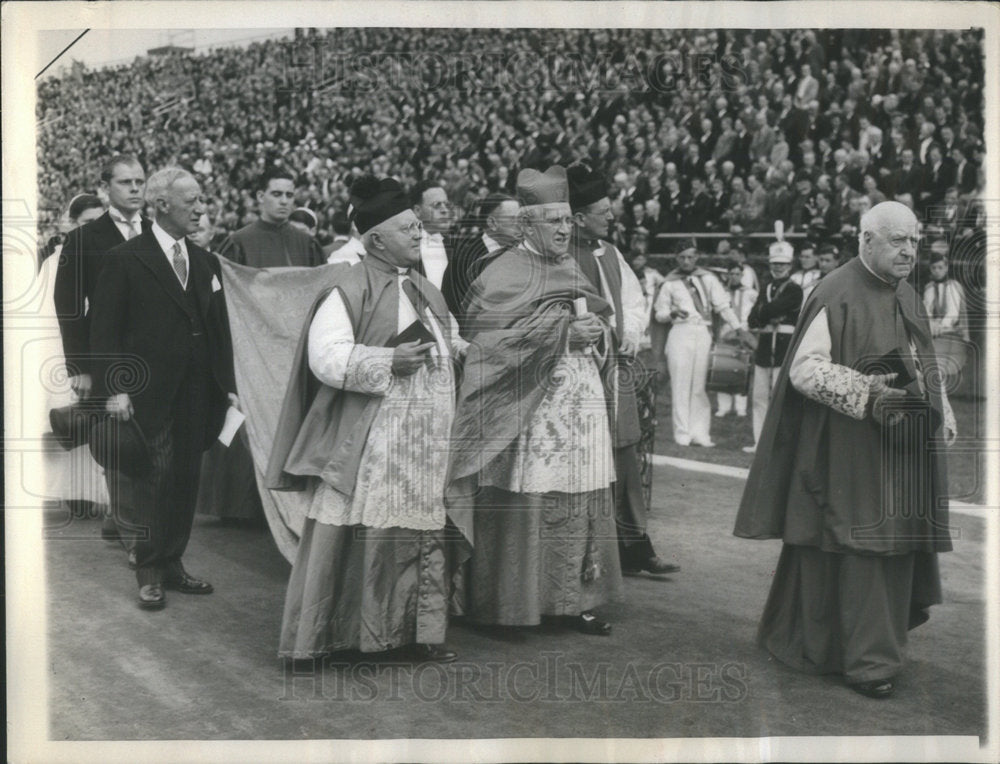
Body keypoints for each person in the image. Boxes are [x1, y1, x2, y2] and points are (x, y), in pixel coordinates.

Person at [734, 201, 956, 699]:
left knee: (893, 543)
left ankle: (864, 645)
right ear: (866, 240)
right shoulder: (832, 291)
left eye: (915, 241)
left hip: (901, 448)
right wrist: (871, 394)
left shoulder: (909, 293)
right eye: (898, 240)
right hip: (849, 447)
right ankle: (869, 662)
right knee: (861, 545)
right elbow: (804, 370)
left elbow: (925, 360)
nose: (909, 250)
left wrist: (944, 411)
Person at [269, 176, 466, 662]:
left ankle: (408, 633)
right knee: (359, 534)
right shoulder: (346, 285)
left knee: (416, 532)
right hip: (372, 438)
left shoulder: (423, 287)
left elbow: (448, 338)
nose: (419, 235)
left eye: (418, 226)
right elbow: (327, 357)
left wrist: (465, 350)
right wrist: (387, 362)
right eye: (407, 228)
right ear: (376, 238)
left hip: (421, 441)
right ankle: (332, 638)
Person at [447, 165, 622, 636]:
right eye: (554, 222)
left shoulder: (569, 266)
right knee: (532, 500)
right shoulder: (500, 274)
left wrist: (597, 333)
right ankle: (512, 605)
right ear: (527, 225)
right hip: (526, 410)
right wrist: (564, 332)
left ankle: (572, 602)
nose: (566, 229)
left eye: (568, 221)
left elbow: (599, 323)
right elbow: (487, 347)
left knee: (580, 493)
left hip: (579, 406)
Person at [88, 167, 239, 610]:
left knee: (185, 480)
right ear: (161, 206)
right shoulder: (124, 258)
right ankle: (149, 571)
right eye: (190, 201)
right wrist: (115, 389)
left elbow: (218, 331)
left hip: (197, 392)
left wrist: (226, 386)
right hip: (147, 393)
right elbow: (105, 333)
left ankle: (173, 562)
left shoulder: (205, 260)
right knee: (155, 480)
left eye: (201, 200)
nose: (200, 208)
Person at [567, 163, 679, 576]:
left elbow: (633, 302)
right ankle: (591, 554)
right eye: (603, 211)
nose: (613, 216)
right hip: (577, 369)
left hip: (614, 369)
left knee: (626, 456)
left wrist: (630, 332)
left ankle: (636, 548)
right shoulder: (557, 256)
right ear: (579, 217)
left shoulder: (612, 254)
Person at [53, 155, 150, 544]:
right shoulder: (84, 239)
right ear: (105, 188)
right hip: (108, 357)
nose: (135, 189)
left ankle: (124, 521)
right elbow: (70, 307)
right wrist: (78, 367)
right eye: (126, 182)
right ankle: (133, 536)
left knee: (151, 445)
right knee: (118, 443)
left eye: (140, 182)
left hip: (154, 357)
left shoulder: (158, 232)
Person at [653, 244, 741, 447]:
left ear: (697, 257)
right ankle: (682, 432)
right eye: (682, 257)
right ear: (676, 258)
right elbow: (659, 313)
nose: (686, 261)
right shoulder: (669, 283)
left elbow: (722, 306)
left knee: (700, 385)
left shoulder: (708, 279)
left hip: (703, 332)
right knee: (681, 384)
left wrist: (738, 328)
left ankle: (700, 433)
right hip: (680, 332)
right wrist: (671, 314)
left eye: (690, 257)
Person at [744, 240, 803, 452]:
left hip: (784, 348)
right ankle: (759, 441)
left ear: (789, 265)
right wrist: (766, 313)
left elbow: (772, 309)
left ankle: (780, 444)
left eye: (783, 264)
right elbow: (752, 319)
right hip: (765, 347)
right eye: (775, 263)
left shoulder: (795, 289)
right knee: (759, 396)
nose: (778, 267)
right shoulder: (766, 287)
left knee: (780, 397)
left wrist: (764, 312)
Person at [440, 192, 521, 324]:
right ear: (492, 223)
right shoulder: (463, 261)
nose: (520, 226)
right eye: (513, 220)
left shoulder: (523, 256)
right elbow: (454, 312)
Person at [219, 167, 324, 267]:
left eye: (289, 195)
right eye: (277, 194)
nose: (284, 201)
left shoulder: (308, 244)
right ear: (260, 196)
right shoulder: (238, 243)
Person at [715, 259, 758, 418]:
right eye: (731, 274)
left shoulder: (751, 293)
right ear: (727, 275)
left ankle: (741, 406)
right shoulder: (721, 293)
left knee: (742, 368)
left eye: (737, 274)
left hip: (744, 333)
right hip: (726, 333)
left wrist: (749, 330)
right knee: (724, 367)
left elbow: (757, 312)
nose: (734, 277)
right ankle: (724, 406)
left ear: (742, 275)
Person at [410, 179, 453, 289]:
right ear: (417, 211)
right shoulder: (406, 246)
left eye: (446, 204)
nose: (444, 210)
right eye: (437, 205)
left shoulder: (456, 246)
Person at [923, 249, 968, 341]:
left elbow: (953, 313)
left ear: (946, 268)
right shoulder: (929, 287)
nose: (937, 271)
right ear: (930, 268)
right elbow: (927, 310)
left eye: (940, 267)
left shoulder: (953, 286)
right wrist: (931, 324)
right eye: (933, 268)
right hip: (934, 330)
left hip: (953, 330)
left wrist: (941, 326)